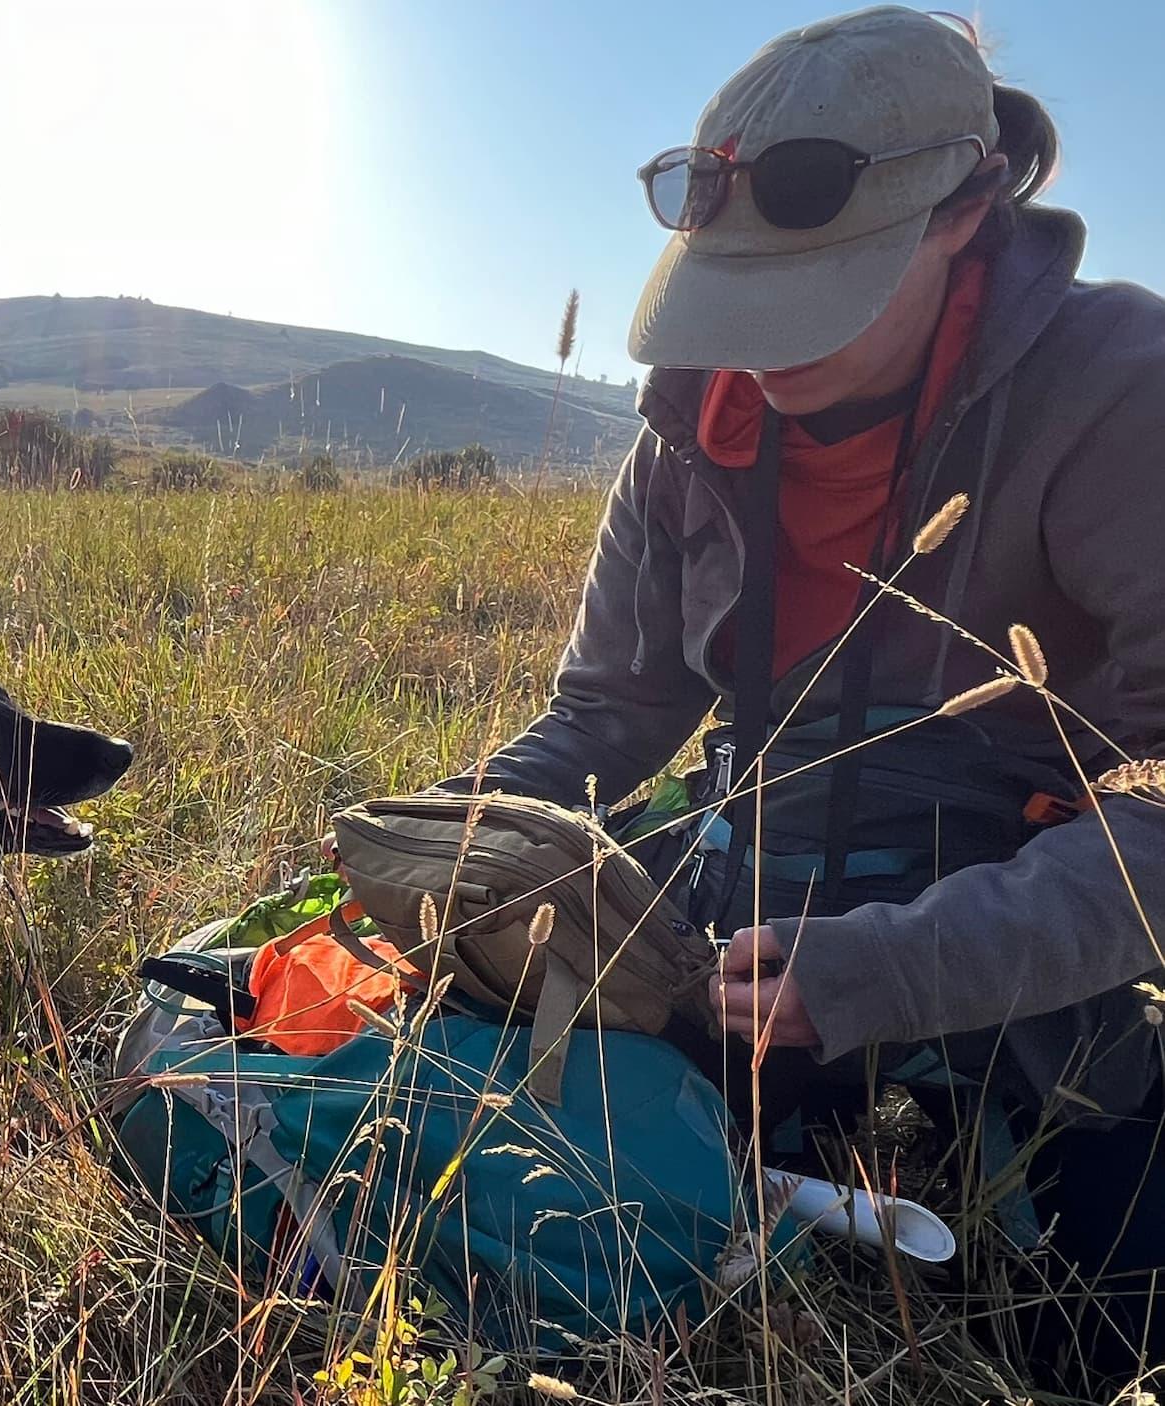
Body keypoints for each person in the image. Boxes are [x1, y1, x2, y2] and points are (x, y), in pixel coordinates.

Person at [453, 6, 1165, 1389]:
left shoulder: (1119, 394)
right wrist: (458, 829)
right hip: (735, 942)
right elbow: (605, 721)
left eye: (814, 295)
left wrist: (895, 967)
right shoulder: (685, 432)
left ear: (966, 210)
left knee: (1101, 1335)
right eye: (736, 295)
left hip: (1029, 975)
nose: (757, 357)